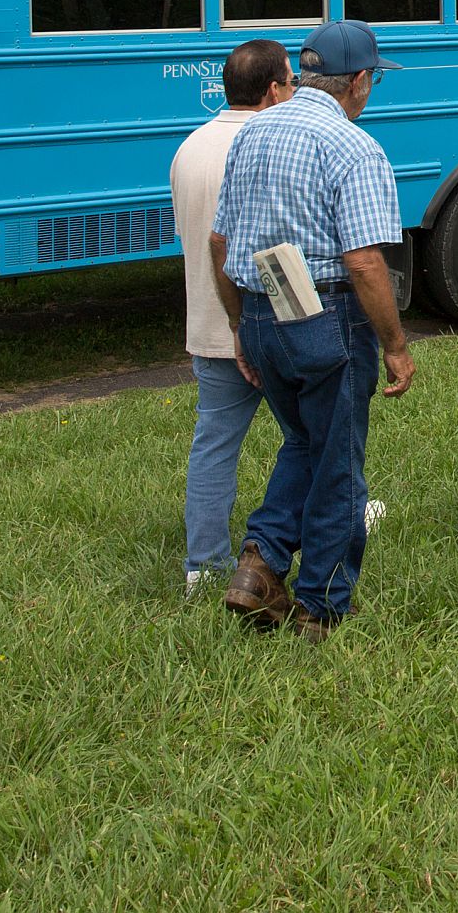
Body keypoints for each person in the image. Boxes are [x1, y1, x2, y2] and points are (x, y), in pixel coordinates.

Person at [211, 19, 418, 639]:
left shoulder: (251, 133)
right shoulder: (354, 147)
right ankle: (322, 604)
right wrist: (396, 345)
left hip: (260, 307)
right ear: (358, 80)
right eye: (373, 79)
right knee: (337, 464)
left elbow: (220, 240)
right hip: (328, 316)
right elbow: (362, 260)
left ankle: (260, 562)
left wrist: (241, 328)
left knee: (304, 443)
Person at [172, 38, 293, 594]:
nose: (294, 91)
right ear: (272, 90)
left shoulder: (190, 146)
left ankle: (204, 564)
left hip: (206, 326)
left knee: (214, 444)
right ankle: (330, 524)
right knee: (320, 436)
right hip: (262, 325)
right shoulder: (263, 146)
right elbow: (264, 248)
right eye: (291, 82)